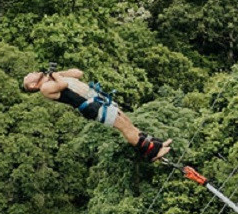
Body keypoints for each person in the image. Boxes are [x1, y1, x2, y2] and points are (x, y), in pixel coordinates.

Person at [21, 66, 171, 162]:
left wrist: (58, 73)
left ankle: (155, 144)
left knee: (125, 120)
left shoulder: (52, 78)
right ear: (33, 85)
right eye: (28, 76)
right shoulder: (45, 88)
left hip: (96, 97)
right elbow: (64, 85)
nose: (31, 72)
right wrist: (54, 75)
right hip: (90, 106)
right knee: (123, 126)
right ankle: (151, 153)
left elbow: (78, 73)